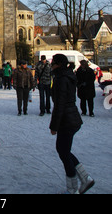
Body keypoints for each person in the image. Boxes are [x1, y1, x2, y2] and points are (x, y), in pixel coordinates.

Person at [50, 54, 94, 194]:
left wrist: (54, 126)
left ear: (58, 64)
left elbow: (60, 104)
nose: (51, 65)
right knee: (64, 150)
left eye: (53, 63)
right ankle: (84, 177)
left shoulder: (61, 78)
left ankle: (73, 187)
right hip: (71, 117)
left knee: (63, 151)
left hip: (67, 119)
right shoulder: (66, 75)